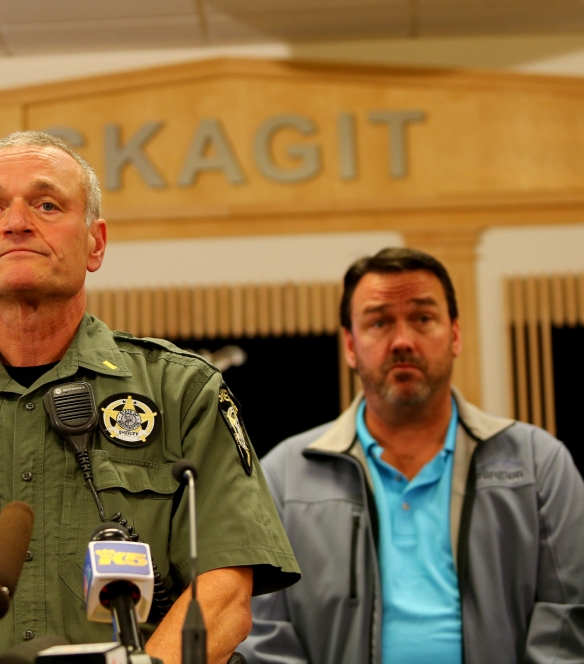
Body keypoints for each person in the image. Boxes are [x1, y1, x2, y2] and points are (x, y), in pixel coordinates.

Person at [0, 131, 300, 664]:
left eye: (46, 204)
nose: (17, 222)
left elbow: (225, 594)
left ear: (96, 243)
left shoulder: (183, 393)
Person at [238, 247, 584, 664]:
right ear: (350, 344)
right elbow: (262, 632)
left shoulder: (538, 463)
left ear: (455, 334)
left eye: (422, 318)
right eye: (379, 322)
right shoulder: (284, 477)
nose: (402, 341)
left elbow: (568, 616)